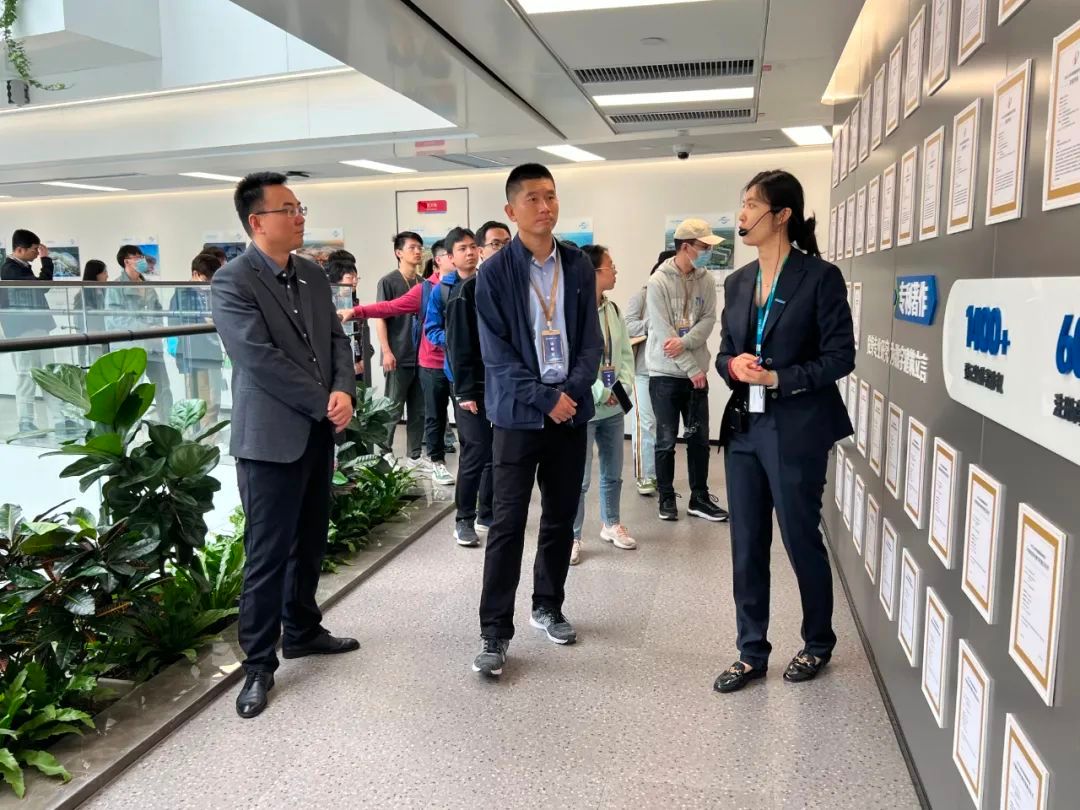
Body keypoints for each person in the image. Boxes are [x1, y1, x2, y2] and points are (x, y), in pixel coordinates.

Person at [211, 172, 358, 719]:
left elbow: (337, 340)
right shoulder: (232, 281)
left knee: (311, 539)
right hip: (269, 439)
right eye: (288, 209)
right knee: (267, 553)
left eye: (300, 208)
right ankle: (257, 664)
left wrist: (344, 390)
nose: (299, 217)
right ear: (257, 222)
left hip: (317, 431)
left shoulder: (313, 274)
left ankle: (301, 630)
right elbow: (258, 358)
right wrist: (324, 400)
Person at [712, 170, 855, 694]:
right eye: (743, 204)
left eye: (752, 205)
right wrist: (733, 366)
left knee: (799, 538)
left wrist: (778, 378)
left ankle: (818, 641)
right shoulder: (737, 282)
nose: (742, 214)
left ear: (782, 215)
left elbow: (841, 357)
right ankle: (751, 652)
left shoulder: (819, 277)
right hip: (744, 428)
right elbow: (725, 352)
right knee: (746, 542)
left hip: (797, 427)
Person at [471, 163, 602, 678]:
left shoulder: (577, 265)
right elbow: (497, 356)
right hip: (517, 417)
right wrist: (543, 399)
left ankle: (547, 604)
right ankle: (494, 630)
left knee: (560, 516)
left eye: (550, 196)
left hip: (569, 413)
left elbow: (590, 342)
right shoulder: (494, 273)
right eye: (533, 198)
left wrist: (569, 394)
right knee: (507, 523)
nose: (545, 206)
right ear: (511, 210)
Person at [338, 248, 455, 485]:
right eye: (454, 252)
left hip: (461, 364)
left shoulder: (470, 285)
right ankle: (430, 460)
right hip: (428, 363)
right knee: (426, 413)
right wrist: (357, 312)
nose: (464, 255)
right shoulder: (423, 288)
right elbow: (390, 308)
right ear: (439, 260)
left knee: (442, 414)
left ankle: (417, 456)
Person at [646, 220, 728, 523]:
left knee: (699, 440)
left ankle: (699, 498)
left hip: (696, 375)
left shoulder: (706, 279)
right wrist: (691, 366)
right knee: (666, 441)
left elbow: (708, 321)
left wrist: (685, 343)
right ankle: (666, 497)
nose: (708, 252)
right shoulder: (658, 281)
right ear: (685, 247)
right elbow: (662, 331)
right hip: (666, 375)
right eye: (704, 247)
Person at [570, 245, 637, 566]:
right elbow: (571, 363)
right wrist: (599, 391)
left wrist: (620, 388)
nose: (616, 271)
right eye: (611, 266)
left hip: (613, 408)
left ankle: (611, 524)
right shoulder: (573, 311)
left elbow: (625, 354)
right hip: (585, 408)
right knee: (578, 479)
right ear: (594, 272)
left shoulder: (614, 310)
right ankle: (572, 535)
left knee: (613, 473)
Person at [424, 227, 488, 546]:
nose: (470, 252)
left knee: (494, 449)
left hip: (493, 379)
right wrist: (453, 338)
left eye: (473, 246)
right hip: (461, 379)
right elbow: (431, 329)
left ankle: (487, 513)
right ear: (449, 257)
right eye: (462, 248)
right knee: (475, 448)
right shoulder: (442, 290)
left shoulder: (489, 283)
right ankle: (464, 518)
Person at [0, 229, 68, 434]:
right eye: (34, 249)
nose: (37, 253)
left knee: (49, 373)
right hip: (22, 331)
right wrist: (46, 262)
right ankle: (26, 421)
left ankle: (59, 418)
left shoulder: (22, 268)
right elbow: (41, 287)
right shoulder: (10, 270)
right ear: (20, 249)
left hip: (37, 327)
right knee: (26, 376)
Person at [370, 232, 425, 463]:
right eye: (412, 247)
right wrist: (386, 351)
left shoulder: (423, 283)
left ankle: (414, 455)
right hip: (397, 355)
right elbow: (380, 318)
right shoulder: (388, 282)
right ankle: (385, 452)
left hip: (421, 358)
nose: (418, 251)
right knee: (393, 407)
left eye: (420, 247)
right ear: (399, 252)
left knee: (419, 410)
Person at [624, 249, 672, 497]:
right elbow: (628, 326)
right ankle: (646, 475)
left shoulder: (677, 298)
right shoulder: (642, 296)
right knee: (646, 423)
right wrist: (653, 323)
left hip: (668, 372)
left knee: (665, 426)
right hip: (643, 371)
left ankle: (661, 475)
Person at [106, 245, 174, 419]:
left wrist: (157, 328)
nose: (142, 260)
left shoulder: (147, 286)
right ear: (126, 261)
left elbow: (157, 310)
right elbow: (116, 318)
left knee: (162, 387)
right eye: (137, 257)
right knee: (132, 390)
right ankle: (131, 428)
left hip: (153, 346)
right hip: (131, 347)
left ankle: (168, 424)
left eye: (141, 256)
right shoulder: (115, 287)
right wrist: (146, 328)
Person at [169, 253, 224, 435]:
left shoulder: (214, 291)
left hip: (212, 350)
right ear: (195, 274)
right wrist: (202, 321)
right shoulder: (182, 293)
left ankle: (212, 434)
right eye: (207, 279)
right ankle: (202, 437)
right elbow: (175, 323)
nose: (209, 283)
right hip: (193, 353)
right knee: (200, 396)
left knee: (214, 395)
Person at [326, 249, 373, 387]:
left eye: (356, 277)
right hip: (338, 369)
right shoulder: (327, 304)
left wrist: (363, 360)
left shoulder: (354, 304)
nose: (355, 281)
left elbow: (362, 338)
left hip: (358, 367)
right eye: (350, 277)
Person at [74, 259, 109, 368]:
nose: (107, 276)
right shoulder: (82, 296)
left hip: (105, 339)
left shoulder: (105, 292)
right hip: (92, 342)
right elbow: (79, 322)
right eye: (104, 272)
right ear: (95, 274)